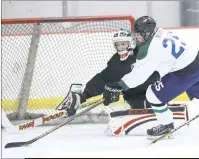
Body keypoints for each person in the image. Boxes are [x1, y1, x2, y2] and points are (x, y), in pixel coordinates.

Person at [56, 29, 189, 136]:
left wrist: (119, 87)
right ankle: (155, 114)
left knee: (152, 97)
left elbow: (154, 70)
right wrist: (84, 96)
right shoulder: (116, 62)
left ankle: (164, 116)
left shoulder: (143, 53)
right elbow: (103, 78)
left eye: (123, 44)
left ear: (131, 43)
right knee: (138, 103)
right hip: (134, 94)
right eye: (118, 44)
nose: (120, 47)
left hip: (155, 87)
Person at [103, 16, 199, 140]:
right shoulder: (162, 32)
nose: (137, 37)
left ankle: (166, 125)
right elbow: (168, 57)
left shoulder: (150, 47)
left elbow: (139, 76)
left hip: (185, 73)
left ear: (147, 34)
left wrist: (119, 86)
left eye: (139, 34)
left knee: (152, 95)